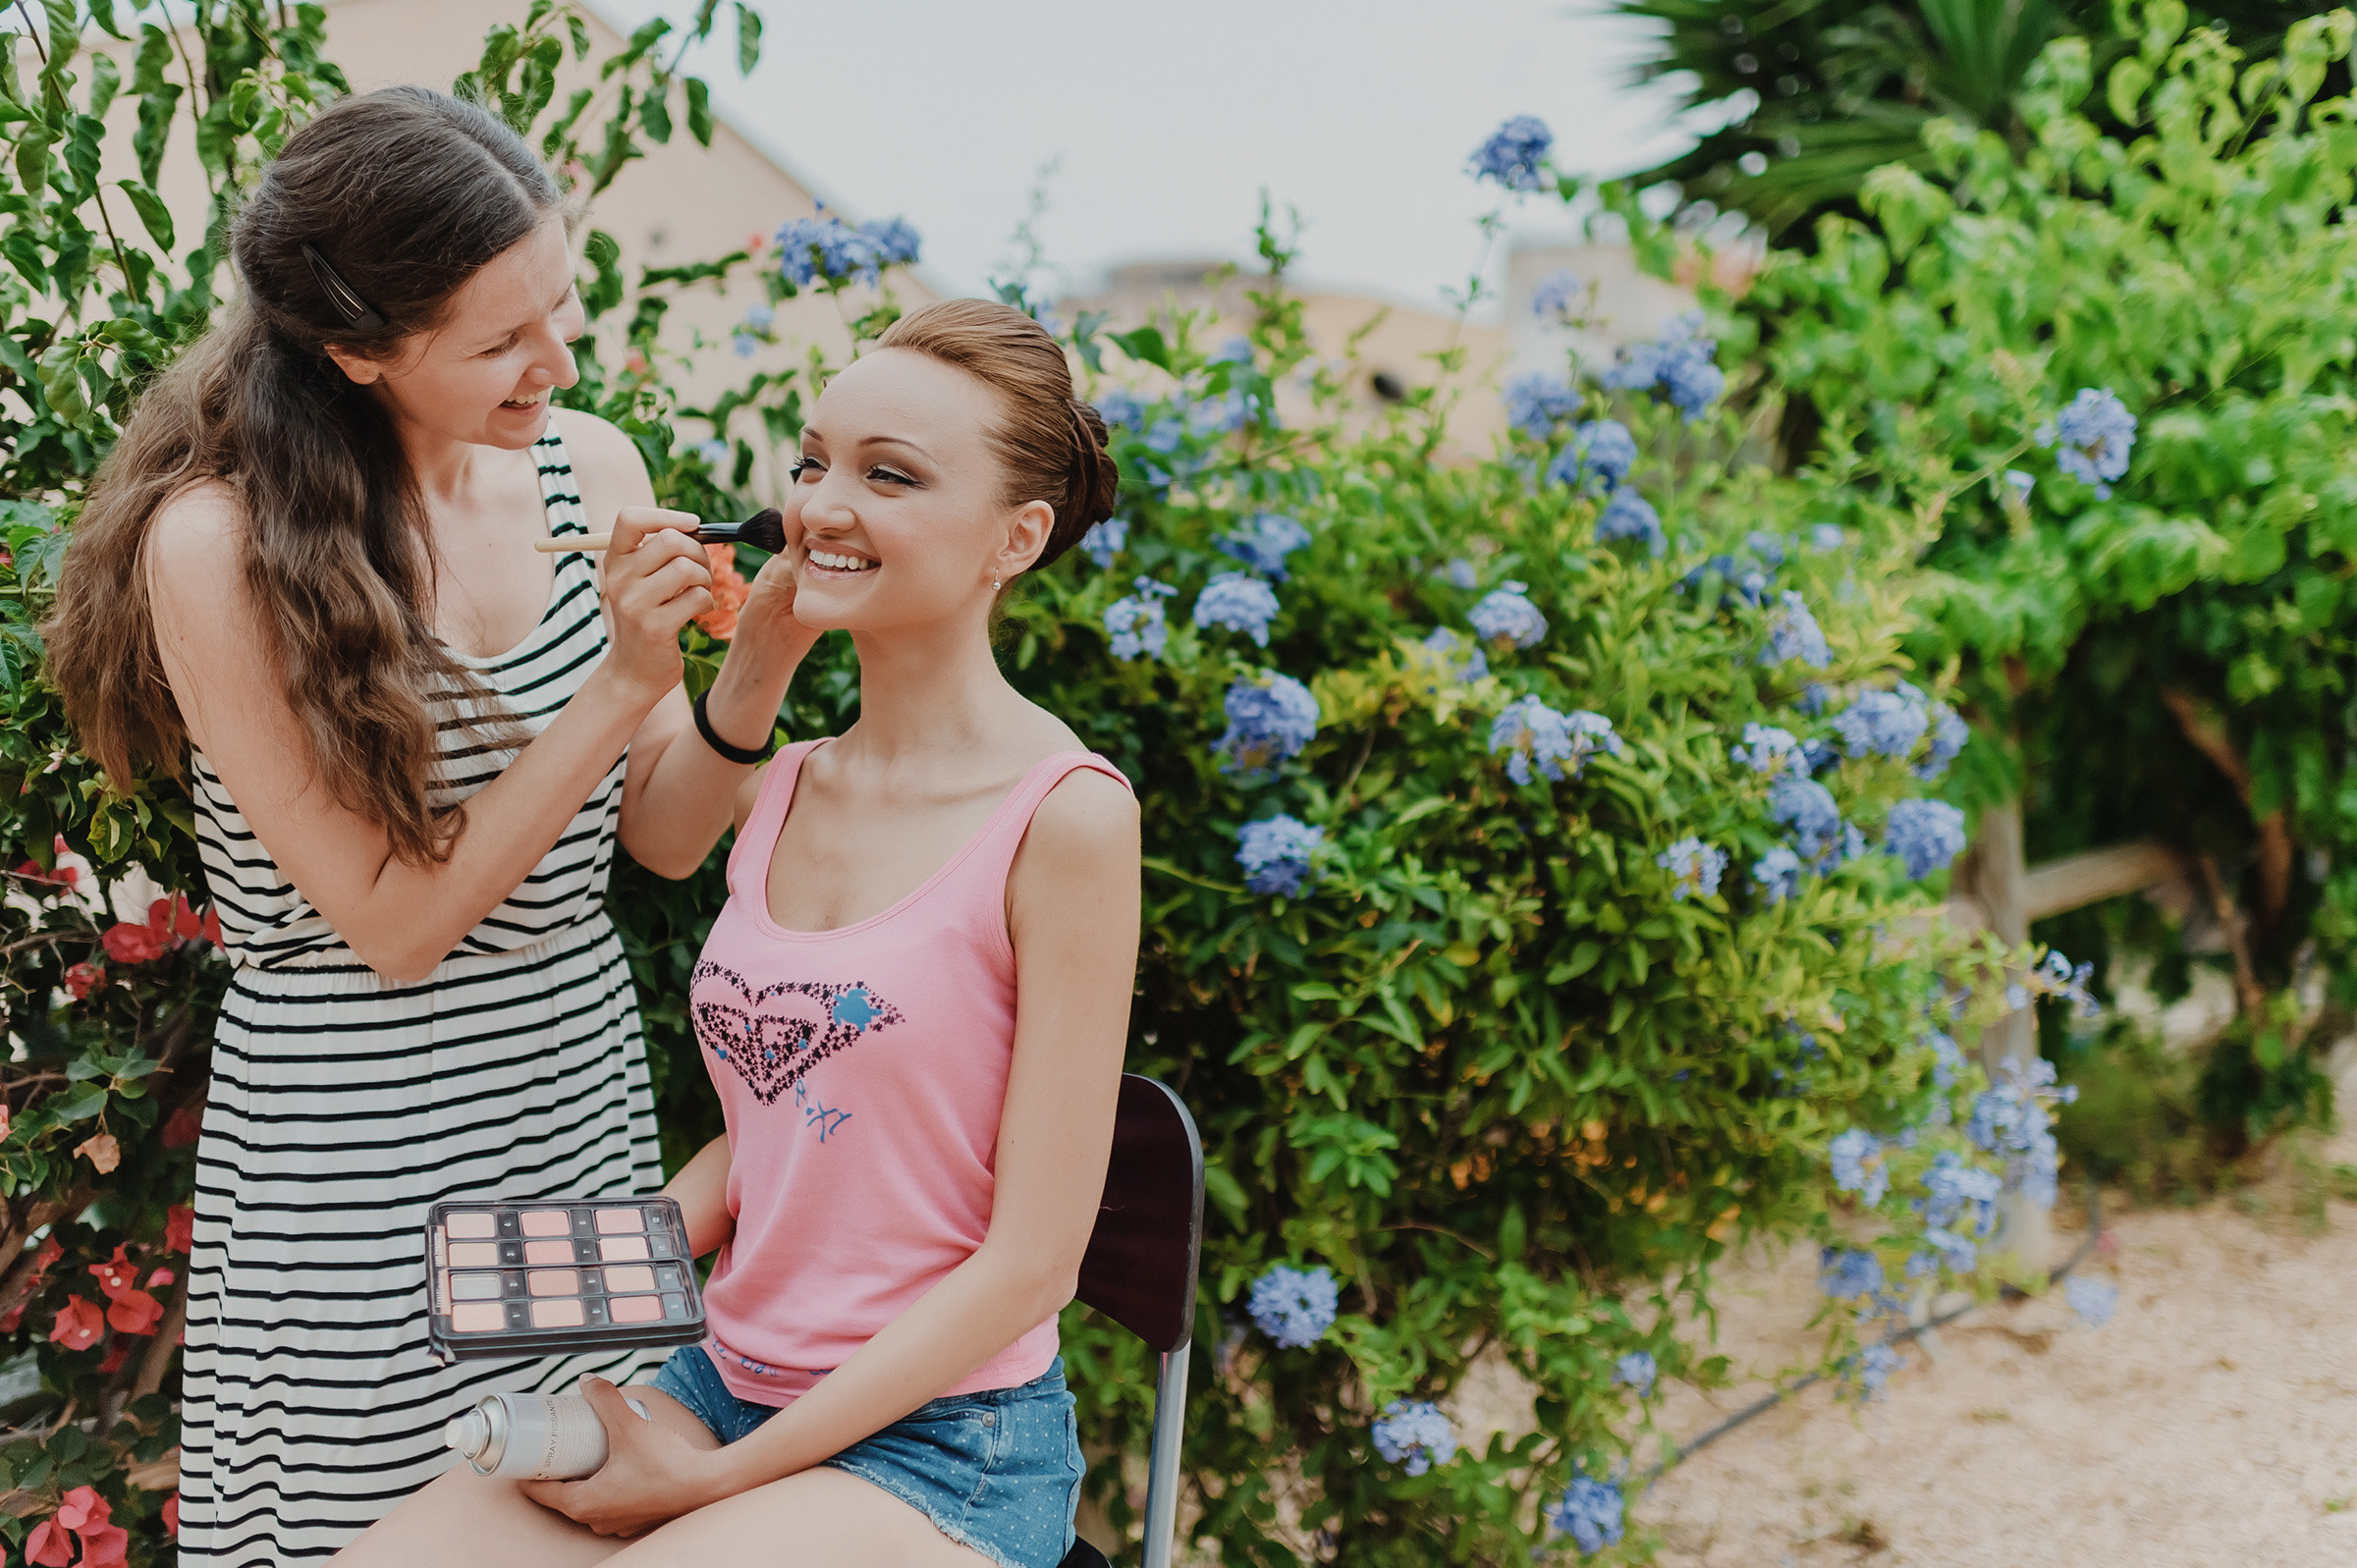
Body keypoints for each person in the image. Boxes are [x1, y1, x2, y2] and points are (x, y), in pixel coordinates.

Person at [45, 87, 817, 1562]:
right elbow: (395, 926)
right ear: (357, 350)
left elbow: (659, 839)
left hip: (568, 1089)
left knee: (584, 1505)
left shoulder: (590, 467)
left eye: (561, 305)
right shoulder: (216, 545)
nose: (560, 358)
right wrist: (616, 684)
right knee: (380, 1528)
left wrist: (757, 662)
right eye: (501, 337)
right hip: (362, 1135)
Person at [339, 298, 1140, 1567]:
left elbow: (1034, 1263)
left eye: (890, 476)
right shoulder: (788, 786)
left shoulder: (1068, 818)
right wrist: (571, 1276)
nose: (823, 507)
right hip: (722, 1381)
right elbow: (785, 1114)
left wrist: (709, 1483)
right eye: (814, 463)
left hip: (947, 1445)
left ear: (1018, 536)